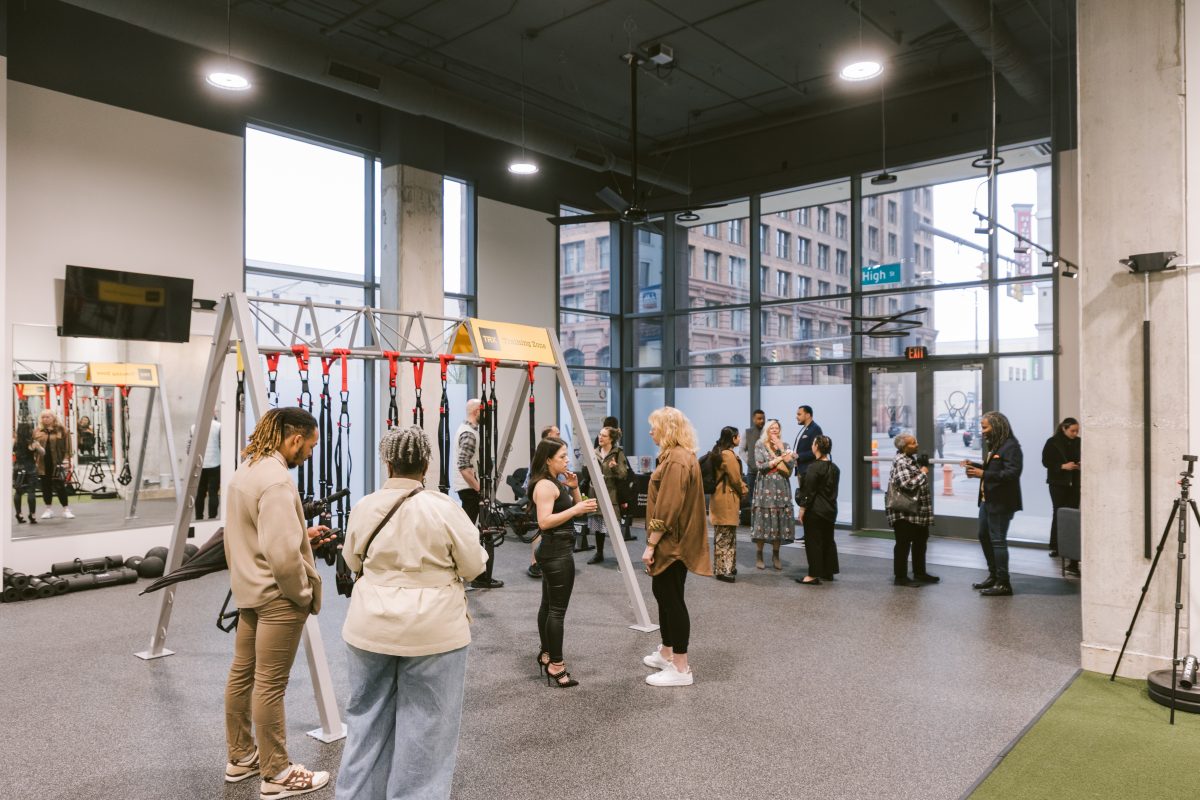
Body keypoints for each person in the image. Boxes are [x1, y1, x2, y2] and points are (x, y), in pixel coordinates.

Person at [334, 426, 487, 800]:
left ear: (388, 462)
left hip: (370, 627)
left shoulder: (365, 505)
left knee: (365, 721)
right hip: (434, 630)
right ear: (426, 463)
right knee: (428, 727)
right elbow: (474, 566)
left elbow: (352, 559)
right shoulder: (444, 508)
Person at [222, 407, 335, 797]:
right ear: (294, 439)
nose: (309, 454)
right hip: (277, 597)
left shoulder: (247, 469)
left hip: (250, 590)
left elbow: (260, 533)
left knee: (243, 674)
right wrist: (302, 594)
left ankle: (240, 757)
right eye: (310, 446)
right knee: (270, 684)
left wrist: (303, 533)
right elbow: (283, 555)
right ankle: (278, 774)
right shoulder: (276, 480)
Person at [641, 407, 711, 687]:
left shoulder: (678, 460)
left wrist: (651, 545)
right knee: (663, 592)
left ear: (666, 429)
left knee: (672, 599)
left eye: (654, 426)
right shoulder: (675, 457)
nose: (650, 431)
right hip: (671, 542)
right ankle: (667, 652)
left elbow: (668, 508)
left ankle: (681, 668)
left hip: (673, 544)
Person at [530, 436, 597, 687]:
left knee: (548, 606)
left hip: (557, 549)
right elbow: (544, 522)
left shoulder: (555, 483)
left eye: (567, 455)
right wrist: (575, 510)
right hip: (556, 552)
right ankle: (556, 664)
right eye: (562, 457)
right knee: (556, 611)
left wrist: (574, 488)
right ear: (548, 460)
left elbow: (580, 511)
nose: (567, 460)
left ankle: (546, 654)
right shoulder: (545, 486)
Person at [964, 411, 1023, 597]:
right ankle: (994, 576)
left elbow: (1012, 474)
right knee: (983, 535)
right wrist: (976, 466)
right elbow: (995, 468)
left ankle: (1003, 583)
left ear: (996, 426)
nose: (982, 431)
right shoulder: (997, 445)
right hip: (987, 501)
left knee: (997, 540)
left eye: (985, 427)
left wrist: (983, 474)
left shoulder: (1011, 446)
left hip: (1001, 502)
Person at [453, 398, 503, 589]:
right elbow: (464, 467)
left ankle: (477, 575)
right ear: (476, 412)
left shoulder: (469, 431)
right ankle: (478, 576)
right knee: (471, 534)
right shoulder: (470, 434)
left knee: (473, 532)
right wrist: (479, 490)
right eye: (485, 412)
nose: (488, 416)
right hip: (470, 491)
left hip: (469, 490)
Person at [886, 433, 939, 587]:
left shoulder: (910, 459)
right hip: (904, 512)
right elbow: (906, 484)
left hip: (916, 512)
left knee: (920, 541)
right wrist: (922, 473)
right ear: (904, 447)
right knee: (903, 544)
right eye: (913, 443)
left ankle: (920, 573)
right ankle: (900, 577)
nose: (917, 444)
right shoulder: (901, 461)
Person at [795, 435, 840, 585]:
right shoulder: (834, 468)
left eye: (813, 443)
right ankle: (828, 571)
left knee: (813, 541)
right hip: (830, 509)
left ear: (816, 447)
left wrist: (802, 509)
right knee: (828, 540)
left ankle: (813, 575)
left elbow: (809, 492)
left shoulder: (814, 467)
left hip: (815, 510)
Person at [752, 419, 795, 570]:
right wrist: (777, 460)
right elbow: (760, 466)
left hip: (781, 488)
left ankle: (776, 554)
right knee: (763, 520)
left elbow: (791, 466)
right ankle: (759, 554)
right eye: (772, 428)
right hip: (765, 487)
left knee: (778, 520)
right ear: (767, 430)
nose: (775, 430)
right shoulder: (760, 444)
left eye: (777, 428)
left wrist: (782, 449)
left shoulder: (786, 446)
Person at [585, 425, 629, 564]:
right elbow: (587, 473)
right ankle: (599, 553)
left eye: (604, 435)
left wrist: (614, 467)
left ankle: (622, 557)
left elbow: (624, 474)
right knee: (599, 526)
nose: (600, 437)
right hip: (596, 493)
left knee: (613, 527)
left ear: (611, 439)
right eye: (600, 434)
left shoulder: (618, 453)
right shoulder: (594, 452)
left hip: (611, 494)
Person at [709, 426, 747, 583]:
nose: (739, 439)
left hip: (720, 497)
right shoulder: (728, 455)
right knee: (725, 535)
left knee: (724, 534)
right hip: (726, 498)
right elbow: (736, 478)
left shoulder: (719, 452)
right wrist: (744, 490)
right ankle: (723, 570)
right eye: (738, 437)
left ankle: (726, 567)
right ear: (733, 438)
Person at [1043, 417, 1081, 573]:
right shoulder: (1052, 442)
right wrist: (1062, 466)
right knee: (1059, 513)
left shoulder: (1079, 442)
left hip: (1074, 483)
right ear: (1064, 429)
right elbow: (1046, 462)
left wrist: (1079, 465)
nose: (1075, 433)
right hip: (1058, 483)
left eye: (1077, 430)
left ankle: (1069, 550)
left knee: (1072, 515)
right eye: (1072, 430)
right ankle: (1056, 546)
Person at [527, 424, 562, 580]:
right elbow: (531, 476)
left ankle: (546, 560)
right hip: (544, 496)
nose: (559, 435)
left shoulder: (558, 454)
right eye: (557, 433)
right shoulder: (541, 457)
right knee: (540, 528)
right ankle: (535, 563)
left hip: (558, 494)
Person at [33, 411, 73, 519]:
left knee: (60, 485)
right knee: (45, 486)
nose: (45, 419)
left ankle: (66, 509)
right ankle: (48, 509)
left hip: (58, 463)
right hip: (43, 463)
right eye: (43, 417)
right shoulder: (37, 431)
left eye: (48, 416)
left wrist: (66, 461)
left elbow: (68, 447)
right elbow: (33, 447)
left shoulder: (62, 430)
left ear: (53, 417)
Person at [189, 413, 222, 520]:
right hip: (215, 464)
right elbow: (222, 444)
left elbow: (189, 447)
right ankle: (212, 517)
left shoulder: (194, 427)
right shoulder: (218, 426)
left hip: (199, 465)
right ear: (214, 414)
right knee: (213, 492)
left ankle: (199, 517)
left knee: (200, 492)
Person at [13, 422, 39, 524]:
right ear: (29, 431)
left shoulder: (15, 442)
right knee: (31, 492)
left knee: (18, 492)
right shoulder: (32, 442)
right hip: (30, 468)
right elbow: (41, 452)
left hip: (18, 468)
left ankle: (19, 514)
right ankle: (32, 515)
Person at [791, 405, 823, 481]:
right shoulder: (805, 429)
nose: (796, 417)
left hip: (809, 472)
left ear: (808, 415)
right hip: (802, 472)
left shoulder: (815, 429)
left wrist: (799, 456)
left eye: (799, 414)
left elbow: (817, 451)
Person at [741, 409, 765, 503]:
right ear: (753, 419)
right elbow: (742, 450)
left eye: (763, 418)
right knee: (752, 499)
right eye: (759, 419)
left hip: (766, 471)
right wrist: (749, 462)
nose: (762, 421)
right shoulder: (747, 432)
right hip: (752, 472)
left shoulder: (767, 432)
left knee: (764, 498)